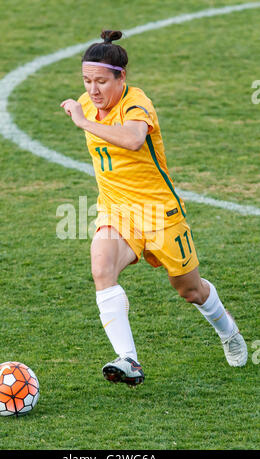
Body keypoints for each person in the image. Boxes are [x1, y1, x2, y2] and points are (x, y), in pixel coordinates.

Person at [61, 30, 248, 387]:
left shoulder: (137, 103)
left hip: (160, 213)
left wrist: (84, 120)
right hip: (116, 211)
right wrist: (80, 109)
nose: (93, 90)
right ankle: (128, 360)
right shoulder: (87, 103)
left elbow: (132, 139)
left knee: (190, 290)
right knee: (101, 267)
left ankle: (228, 332)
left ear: (122, 78)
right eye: (86, 81)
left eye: (101, 81)